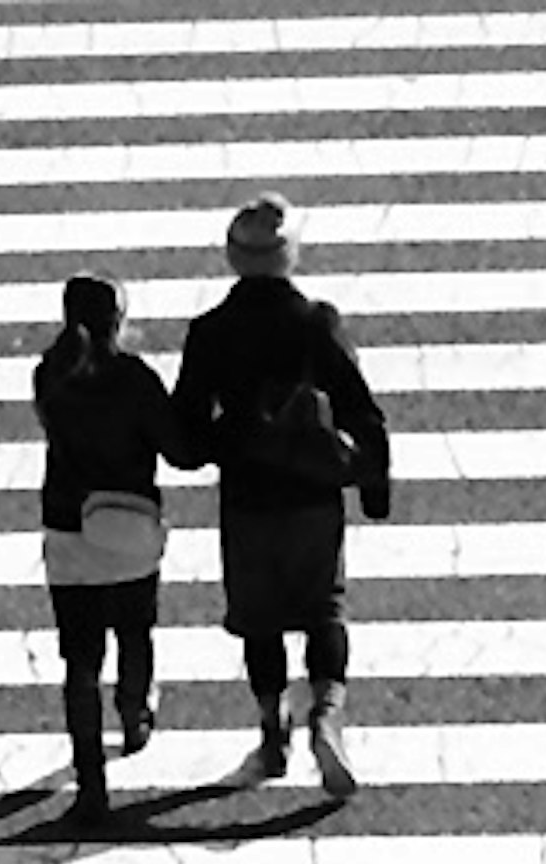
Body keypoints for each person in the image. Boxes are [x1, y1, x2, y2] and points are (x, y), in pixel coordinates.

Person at [163, 199, 389, 791]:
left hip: (248, 495)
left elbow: (186, 431)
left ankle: (272, 731)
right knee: (324, 609)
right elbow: (362, 408)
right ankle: (327, 717)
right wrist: (372, 485)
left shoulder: (210, 331)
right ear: (290, 255)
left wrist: (222, 441)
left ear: (233, 258)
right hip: (312, 491)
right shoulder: (317, 322)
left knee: (259, 620)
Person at [30, 269, 171, 826]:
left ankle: (91, 781)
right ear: (119, 320)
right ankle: (134, 713)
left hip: (69, 528)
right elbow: (178, 444)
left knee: (80, 659)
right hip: (130, 522)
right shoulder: (134, 378)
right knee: (135, 630)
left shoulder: (49, 374)